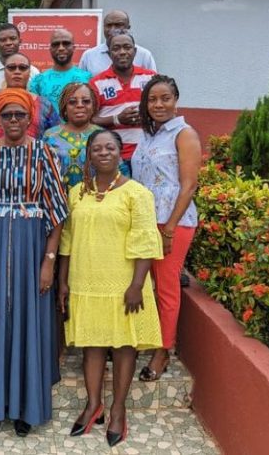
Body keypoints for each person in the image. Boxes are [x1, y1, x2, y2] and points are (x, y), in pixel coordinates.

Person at [0, 89, 68, 437]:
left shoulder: (44, 153)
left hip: (32, 248)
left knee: (27, 322)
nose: (14, 121)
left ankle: (25, 408)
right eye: (8, 115)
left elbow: (57, 213)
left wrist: (48, 262)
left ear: (30, 117)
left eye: (21, 114)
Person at [58, 129, 163, 447]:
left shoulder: (137, 193)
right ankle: (93, 404)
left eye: (110, 148)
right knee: (91, 344)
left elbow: (146, 240)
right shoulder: (77, 193)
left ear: (120, 153)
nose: (103, 152)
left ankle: (118, 409)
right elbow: (67, 240)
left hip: (124, 283)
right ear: (89, 155)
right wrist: (63, 282)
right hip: (85, 280)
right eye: (97, 148)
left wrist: (137, 284)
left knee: (123, 346)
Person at [131, 75, 201, 381]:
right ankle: (141, 340)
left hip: (172, 222)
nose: (159, 104)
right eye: (153, 99)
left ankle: (163, 351)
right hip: (145, 220)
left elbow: (189, 185)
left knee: (166, 289)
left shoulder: (184, 134)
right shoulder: (149, 135)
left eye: (165, 98)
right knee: (140, 284)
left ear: (176, 100)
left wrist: (170, 227)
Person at [89, 30, 156, 174]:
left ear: (135, 51)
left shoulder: (151, 78)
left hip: (148, 154)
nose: (122, 52)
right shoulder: (96, 83)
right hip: (115, 158)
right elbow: (90, 120)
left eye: (127, 47)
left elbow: (163, 111)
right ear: (109, 53)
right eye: (116, 48)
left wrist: (148, 115)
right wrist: (117, 119)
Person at [0, 52, 58, 143]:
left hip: (35, 155)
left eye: (22, 68)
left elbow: (54, 137)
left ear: (29, 72)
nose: (17, 71)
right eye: (11, 68)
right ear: (4, 71)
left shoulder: (44, 105)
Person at [42, 83, 101, 191]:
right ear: (64, 108)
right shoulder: (50, 136)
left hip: (95, 202)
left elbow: (118, 171)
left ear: (93, 107)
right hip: (58, 201)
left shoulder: (102, 136)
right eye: (72, 102)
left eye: (86, 101)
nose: (79, 105)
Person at [28, 29, 92, 120]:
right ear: (50, 49)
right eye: (56, 44)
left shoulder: (88, 78)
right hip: (48, 133)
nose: (61, 48)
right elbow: (34, 114)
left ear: (73, 47)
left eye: (66, 43)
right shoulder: (38, 81)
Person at [79, 10, 156, 76]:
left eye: (118, 25)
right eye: (108, 25)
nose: (112, 30)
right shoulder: (89, 56)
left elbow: (153, 85)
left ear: (128, 27)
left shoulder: (144, 55)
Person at [0, 23, 40, 91]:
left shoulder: (33, 72)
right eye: (3, 40)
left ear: (20, 41)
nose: (8, 43)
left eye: (13, 38)